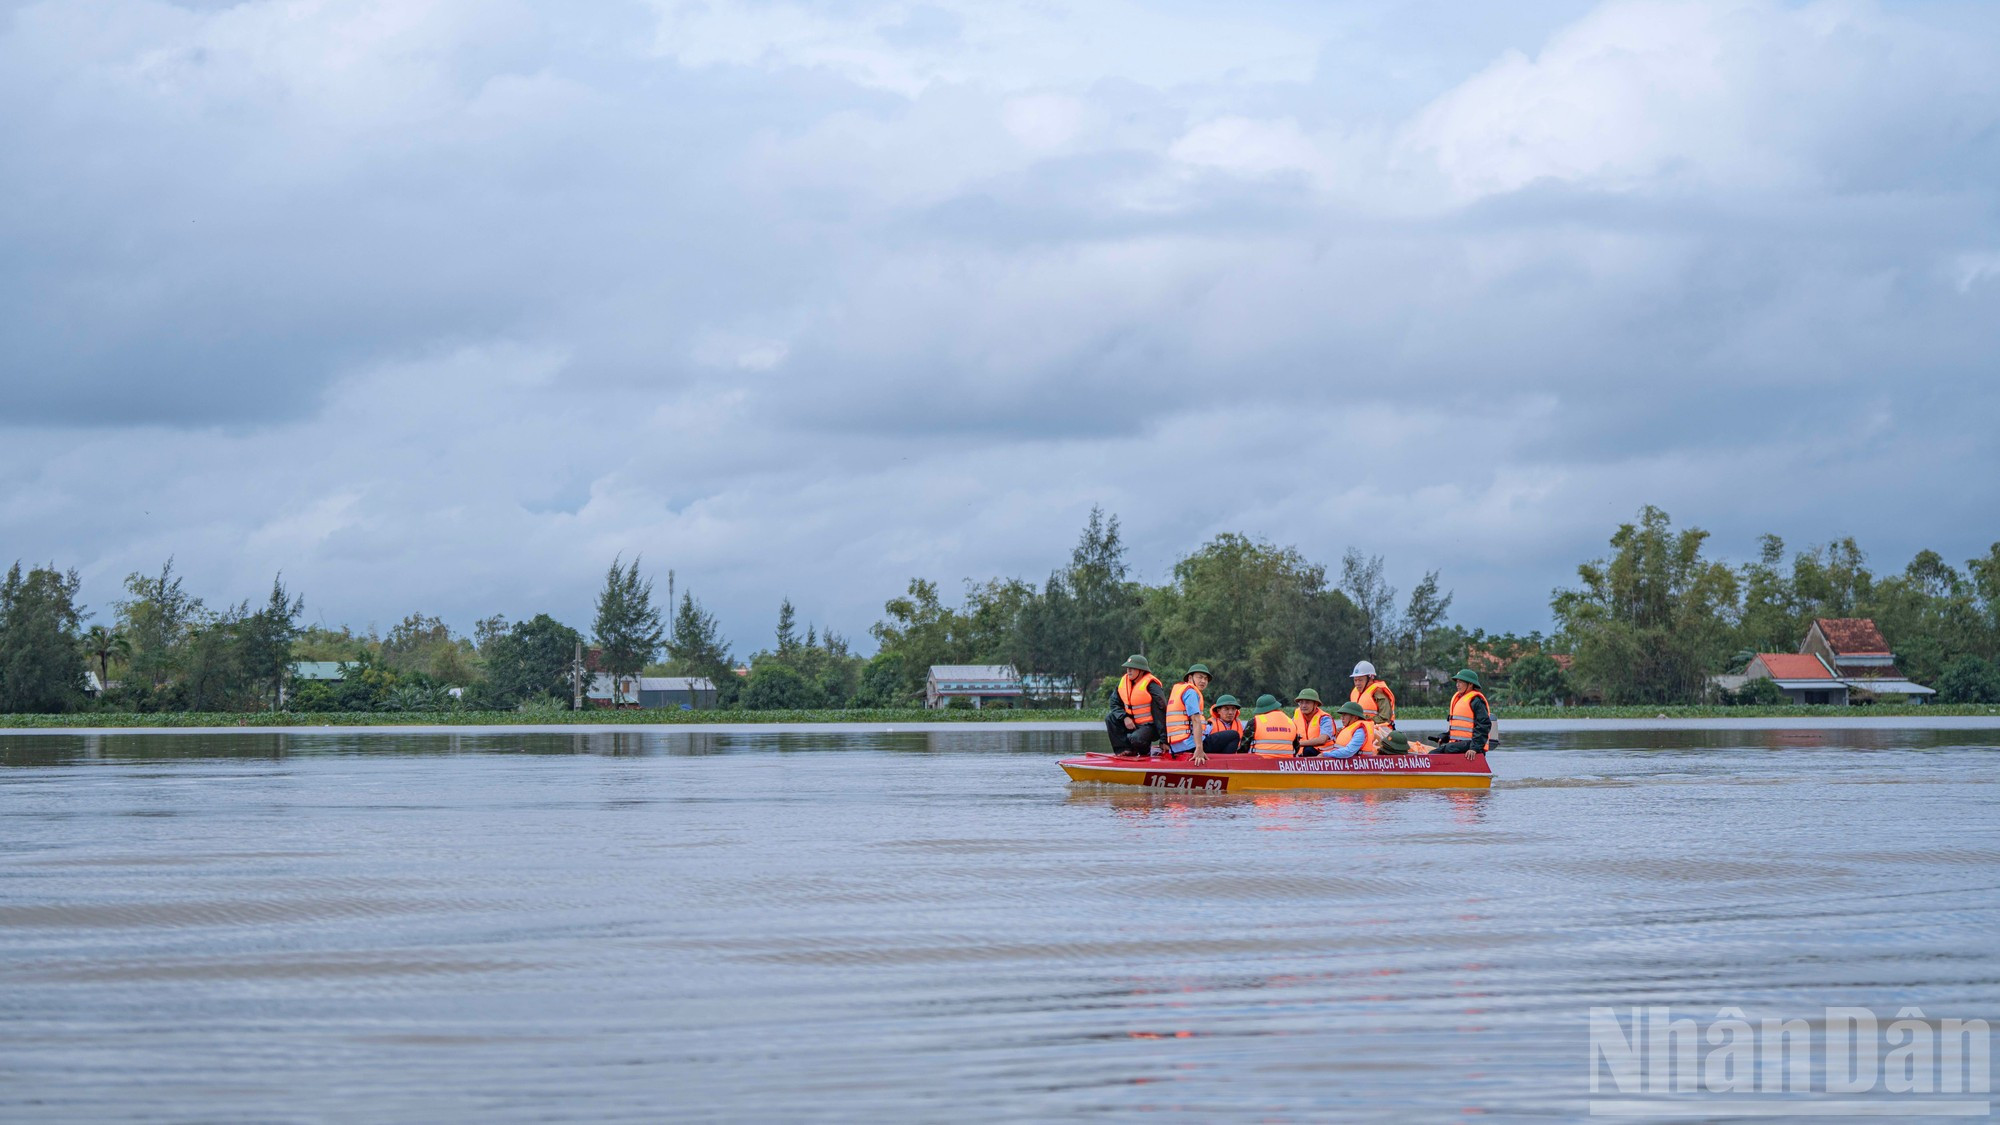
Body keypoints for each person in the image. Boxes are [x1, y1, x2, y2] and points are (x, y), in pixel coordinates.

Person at [1105, 655, 1169, 757]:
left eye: (1132, 668)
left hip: (1150, 727)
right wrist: (1125, 717)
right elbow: (1114, 703)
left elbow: (1161, 711)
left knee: (1136, 738)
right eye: (1127, 668)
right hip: (1132, 724)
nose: (1129, 671)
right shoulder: (1123, 683)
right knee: (1110, 718)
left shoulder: (1152, 685)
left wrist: (1164, 740)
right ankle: (1125, 750)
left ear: (1142, 671)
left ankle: (1145, 752)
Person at [1433, 668, 1493, 754]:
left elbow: (1484, 726)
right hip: (1459, 744)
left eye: (1460, 682)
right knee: (1433, 753)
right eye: (1457, 682)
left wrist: (1474, 748)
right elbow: (1460, 728)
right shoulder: (1458, 699)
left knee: (1449, 748)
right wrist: (1445, 736)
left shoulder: (1476, 701)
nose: (1457, 685)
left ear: (1470, 684)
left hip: (1471, 744)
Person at [1162, 663, 1214, 763]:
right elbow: (1195, 720)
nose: (1203, 681)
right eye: (1200, 677)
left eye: (1206, 678)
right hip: (1190, 745)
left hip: (1176, 746)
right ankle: (1219, 764)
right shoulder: (1191, 692)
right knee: (1232, 736)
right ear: (1190, 678)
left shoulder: (1178, 690)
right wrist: (1199, 748)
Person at [1347, 661, 1397, 728]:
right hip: (1361, 728)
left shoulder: (1378, 693)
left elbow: (1384, 718)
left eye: (1360, 680)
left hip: (1379, 730)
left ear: (1370, 678)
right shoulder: (1354, 692)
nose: (1357, 684)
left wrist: (1362, 719)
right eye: (1355, 680)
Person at [1291, 688, 1335, 756]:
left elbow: (1322, 740)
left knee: (1308, 750)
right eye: (1301, 702)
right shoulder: (1297, 714)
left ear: (1316, 704)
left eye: (1307, 702)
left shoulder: (1325, 718)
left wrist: (1298, 744)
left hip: (1322, 756)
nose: (1303, 706)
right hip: (1301, 754)